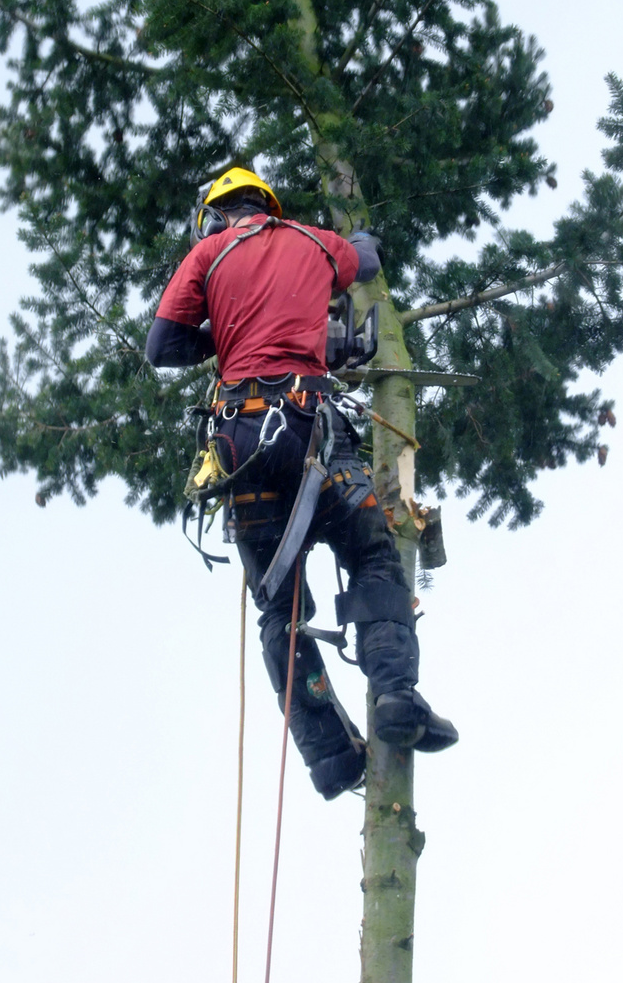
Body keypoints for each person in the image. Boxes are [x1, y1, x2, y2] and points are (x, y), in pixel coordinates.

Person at [146, 166, 456, 800]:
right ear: (268, 205)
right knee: (372, 554)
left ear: (216, 215)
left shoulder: (208, 254)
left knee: (278, 610)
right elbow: (365, 262)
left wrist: (224, 337)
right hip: (310, 429)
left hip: (241, 445)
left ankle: (331, 757)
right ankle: (396, 695)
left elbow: (162, 345)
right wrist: (359, 237)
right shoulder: (314, 242)